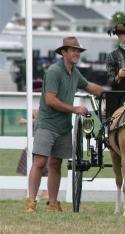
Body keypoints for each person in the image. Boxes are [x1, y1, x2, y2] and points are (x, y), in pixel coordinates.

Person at [25, 36, 104, 212]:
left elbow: (90, 86)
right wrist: (75, 109)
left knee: (55, 164)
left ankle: (52, 203)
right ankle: (31, 201)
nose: (77, 53)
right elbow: (50, 100)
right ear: (64, 52)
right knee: (39, 162)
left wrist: (110, 92)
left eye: (78, 51)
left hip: (63, 127)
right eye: (73, 50)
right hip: (47, 124)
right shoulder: (54, 71)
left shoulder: (74, 71)